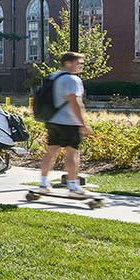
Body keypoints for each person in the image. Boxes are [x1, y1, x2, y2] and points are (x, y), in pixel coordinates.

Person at [36, 50, 91, 196]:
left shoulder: (53, 77)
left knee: (51, 151)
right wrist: (83, 123)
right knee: (72, 152)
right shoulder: (72, 80)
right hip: (69, 122)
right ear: (67, 63)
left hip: (52, 120)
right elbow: (75, 102)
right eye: (78, 63)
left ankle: (43, 183)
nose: (80, 66)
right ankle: (73, 187)